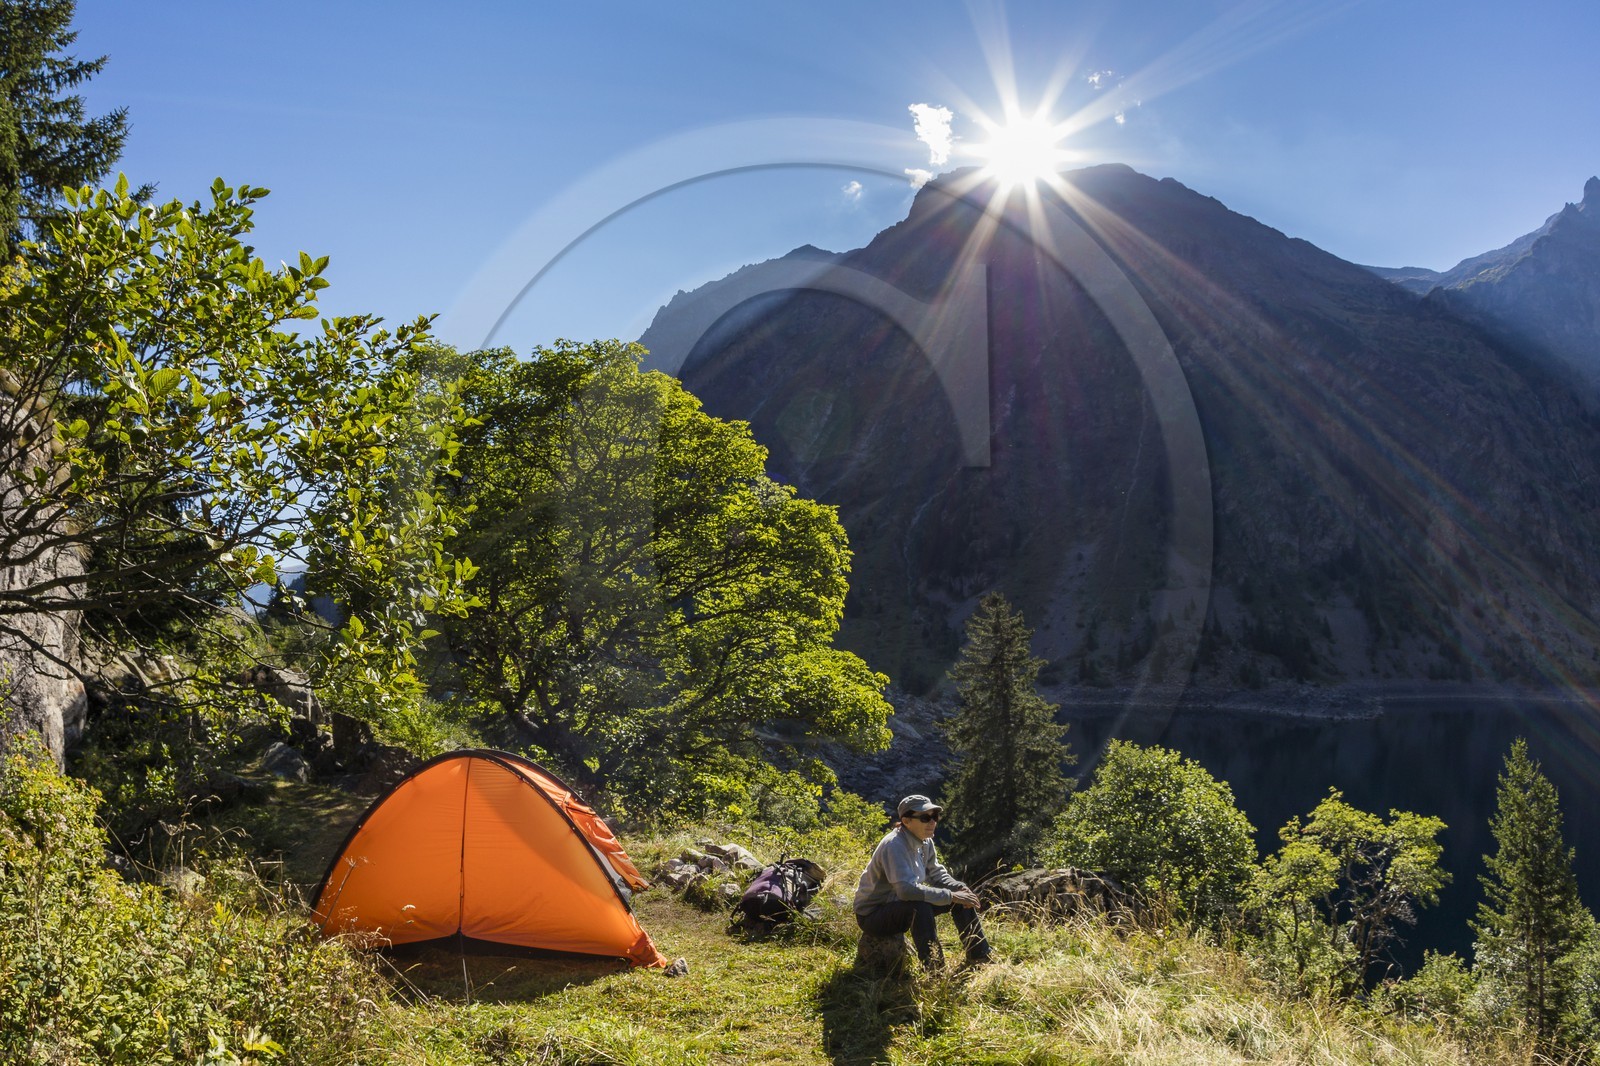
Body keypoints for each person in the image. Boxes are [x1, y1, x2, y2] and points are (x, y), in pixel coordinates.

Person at [853, 794, 993, 968]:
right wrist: (951, 896)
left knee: (960, 893)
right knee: (919, 907)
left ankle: (980, 955)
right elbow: (906, 891)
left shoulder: (925, 841)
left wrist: (959, 889)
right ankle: (935, 968)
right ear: (906, 821)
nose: (932, 822)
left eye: (935, 816)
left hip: (898, 905)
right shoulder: (894, 845)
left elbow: (936, 874)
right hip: (873, 915)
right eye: (925, 817)